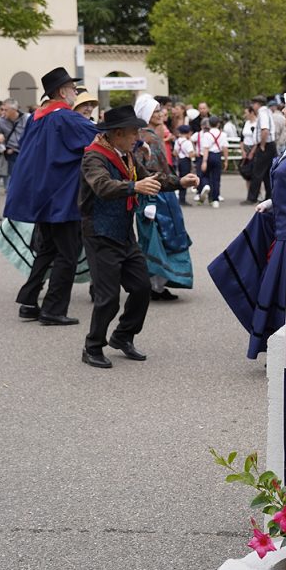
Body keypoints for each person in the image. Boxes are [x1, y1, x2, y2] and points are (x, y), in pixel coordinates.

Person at [79, 105, 178, 368]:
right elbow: (102, 186)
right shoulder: (94, 157)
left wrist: (181, 183)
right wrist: (134, 187)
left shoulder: (126, 155)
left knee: (142, 288)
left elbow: (150, 179)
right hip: (99, 233)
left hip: (123, 232)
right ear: (118, 133)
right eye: (134, 133)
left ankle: (122, 336)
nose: (138, 137)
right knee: (108, 297)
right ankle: (92, 346)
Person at [4, 67, 97, 326]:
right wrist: (134, 142)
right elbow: (100, 138)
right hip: (62, 196)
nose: (75, 93)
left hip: (42, 193)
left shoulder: (37, 116)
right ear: (60, 91)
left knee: (47, 251)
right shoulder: (66, 117)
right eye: (71, 88)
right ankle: (53, 310)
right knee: (67, 254)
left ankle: (29, 302)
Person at [208, 92, 286, 357]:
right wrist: (271, 202)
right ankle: (281, 349)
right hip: (281, 229)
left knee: (283, 294)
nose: (285, 113)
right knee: (273, 289)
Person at [133, 94, 199, 300]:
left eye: (160, 110)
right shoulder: (147, 137)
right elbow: (145, 169)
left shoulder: (149, 134)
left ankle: (157, 283)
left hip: (160, 190)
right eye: (154, 111)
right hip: (156, 193)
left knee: (159, 237)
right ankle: (155, 285)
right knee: (161, 237)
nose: (160, 113)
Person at [246, 94, 276, 205]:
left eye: (253, 104)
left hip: (266, 145)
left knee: (257, 172)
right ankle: (270, 195)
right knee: (268, 172)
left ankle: (252, 197)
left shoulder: (262, 113)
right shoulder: (267, 112)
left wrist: (262, 145)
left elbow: (265, 130)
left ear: (257, 104)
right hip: (270, 145)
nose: (252, 106)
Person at [0, 99, 29, 185]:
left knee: (26, 177)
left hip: (26, 152)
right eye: (2, 109)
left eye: (6, 110)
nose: (3, 112)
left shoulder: (27, 118)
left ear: (14, 110)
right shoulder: (1, 121)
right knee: (14, 178)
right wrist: (3, 149)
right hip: (12, 153)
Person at [200, 115, 229, 209]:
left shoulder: (207, 134)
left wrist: (204, 161)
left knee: (205, 175)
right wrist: (226, 160)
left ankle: (206, 186)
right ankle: (215, 199)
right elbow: (225, 148)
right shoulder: (222, 134)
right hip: (217, 156)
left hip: (209, 156)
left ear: (209, 124)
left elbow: (206, 148)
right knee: (216, 178)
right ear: (218, 124)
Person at [174, 124, 195, 206]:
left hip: (179, 160)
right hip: (186, 161)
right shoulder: (188, 142)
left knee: (180, 177)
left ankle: (180, 197)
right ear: (188, 132)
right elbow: (191, 154)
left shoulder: (177, 141)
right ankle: (182, 199)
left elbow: (175, 153)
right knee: (186, 179)